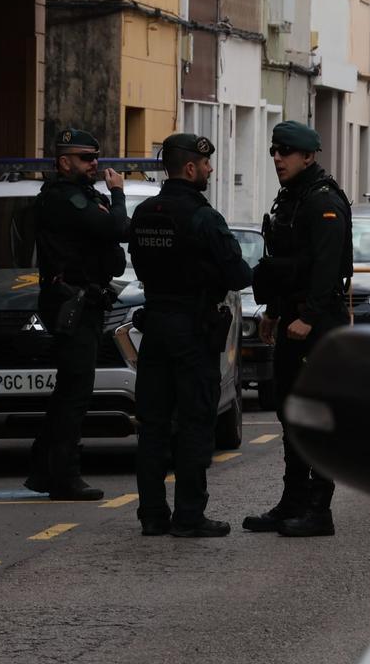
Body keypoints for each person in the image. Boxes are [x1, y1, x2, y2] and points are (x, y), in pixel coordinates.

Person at [129, 134, 252, 537]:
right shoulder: (203, 217)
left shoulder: (145, 212)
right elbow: (237, 273)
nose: (210, 170)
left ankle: (151, 514)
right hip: (192, 330)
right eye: (205, 164)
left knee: (153, 424)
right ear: (189, 168)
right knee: (196, 421)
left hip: (155, 326)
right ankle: (188, 515)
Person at [244, 120, 352, 537]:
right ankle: (292, 501)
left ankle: (318, 508)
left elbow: (326, 267)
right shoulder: (292, 198)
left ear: (308, 156)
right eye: (274, 151)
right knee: (289, 412)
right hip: (293, 315)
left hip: (317, 323)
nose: (277, 158)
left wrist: (308, 315)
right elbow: (285, 261)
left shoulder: (323, 200)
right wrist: (273, 310)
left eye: (285, 152)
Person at [26, 128, 130, 500]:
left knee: (70, 391)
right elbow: (117, 227)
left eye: (96, 158)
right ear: (64, 161)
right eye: (86, 159)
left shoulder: (85, 196)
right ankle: (64, 475)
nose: (94, 165)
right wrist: (118, 193)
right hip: (72, 303)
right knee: (75, 392)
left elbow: (117, 236)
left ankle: (44, 469)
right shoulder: (62, 198)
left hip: (87, 301)